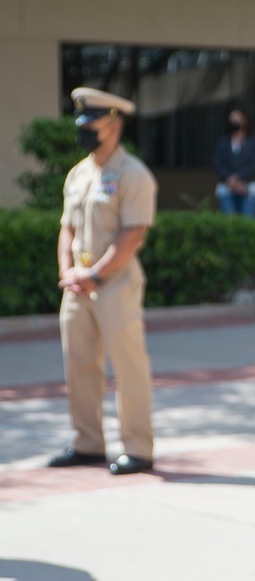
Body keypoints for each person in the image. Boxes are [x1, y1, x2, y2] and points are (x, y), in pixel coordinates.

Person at [50, 88, 158, 476]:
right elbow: (67, 228)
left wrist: (95, 274)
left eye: (90, 123)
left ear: (113, 124)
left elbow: (132, 236)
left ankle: (138, 448)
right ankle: (88, 442)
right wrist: (68, 273)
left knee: (128, 367)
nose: (84, 130)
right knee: (78, 364)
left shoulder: (134, 175)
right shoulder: (79, 173)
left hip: (114, 283)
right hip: (79, 285)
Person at [214, 108, 255, 216]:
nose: (235, 122)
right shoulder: (222, 142)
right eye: (232, 119)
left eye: (238, 119)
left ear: (245, 121)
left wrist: (237, 178)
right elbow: (218, 165)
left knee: (248, 224)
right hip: (226, 188)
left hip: (248, 188)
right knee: (229, 224)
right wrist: (231, 180)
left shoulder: (253, 141)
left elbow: (254, 165)